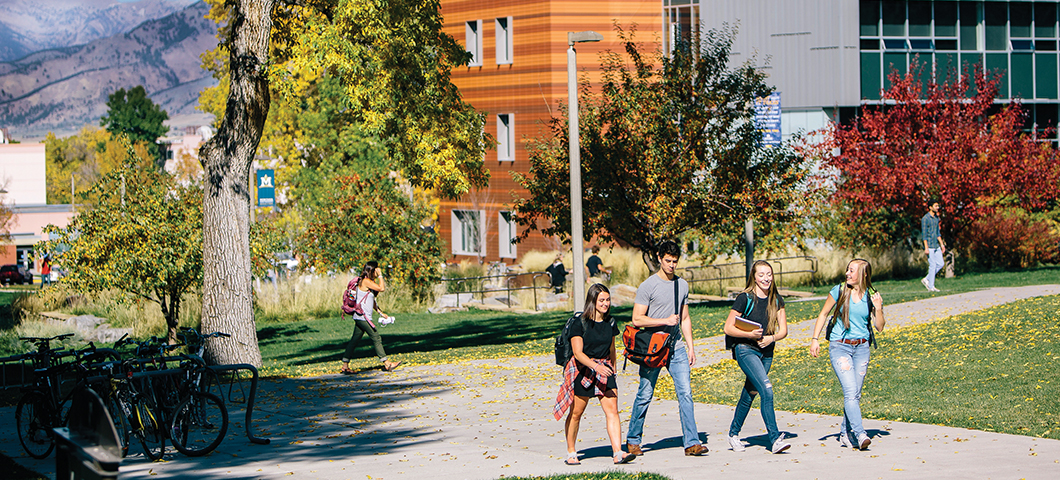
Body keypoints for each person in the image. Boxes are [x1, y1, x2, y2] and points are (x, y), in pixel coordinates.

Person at [625, 240, 708, 457]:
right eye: (668, 261)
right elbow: (637, 319)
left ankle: (692, 443)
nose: (672, 265)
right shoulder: (648, 286)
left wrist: (691, 347)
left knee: (686, 393)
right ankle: (633, 440)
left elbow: (686, 318)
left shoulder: (682, 285)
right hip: (653, 348)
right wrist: (664, 320)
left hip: (676, 347)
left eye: (675, 262)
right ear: (660, 259)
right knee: (645, 393)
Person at [554, 284, 636, 466]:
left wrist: (612, 367)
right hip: (583, 369)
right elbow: (578, 353)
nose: (605, 304)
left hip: (604, 368)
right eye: (601, 300)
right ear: (592, 301)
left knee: (613, 411)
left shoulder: (611, 322)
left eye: (607, 300)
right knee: (576, 413)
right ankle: (571, 452)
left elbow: (612, 348)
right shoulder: (580, 323)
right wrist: (595, 367)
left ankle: (617, 452)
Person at [808, 259, 886, 451]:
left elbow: (880, 327)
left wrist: (878, 307)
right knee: (851, 392)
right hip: (840, 347)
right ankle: (860, 434)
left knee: (854, 395)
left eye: (852, 271)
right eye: (847, 270)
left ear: (863, 274)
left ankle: (845, 433)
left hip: (862, 348)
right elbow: (823, 314)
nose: (847, 274)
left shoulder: (871, 295)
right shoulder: (839, 290)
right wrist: (815, 339)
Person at [723, 260, 791, 454]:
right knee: (766, 390)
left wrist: (772, 338)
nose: (766, 278)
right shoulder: (745, 298)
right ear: (754, 276)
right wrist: (748, 335)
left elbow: (784, 330)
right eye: (761, 274)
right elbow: (728, 327)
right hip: (745, 349)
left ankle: (733, 434)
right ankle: (775, 438)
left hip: (766, 351)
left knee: (750, 393)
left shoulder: (776, 299)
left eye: (768, 274)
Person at [340, 261, 402, 373]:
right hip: (363, 317)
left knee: (354, 340)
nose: (377, 272)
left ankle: (345, 366)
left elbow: (371, 299)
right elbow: (381, 288)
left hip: (360, 317)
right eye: (376, 270)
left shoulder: (367, 282)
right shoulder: (365, 281)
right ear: (372, 270)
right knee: (376, 337)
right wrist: (381, 275)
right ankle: (387, 364)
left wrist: (380, 312)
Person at [921, 200, 945, 292]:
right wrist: (926, 247)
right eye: (936, 206)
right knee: (933, 265)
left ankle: (927, 279)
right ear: (930, 207)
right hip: (929, 246)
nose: (937, 207)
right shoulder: (925, 219)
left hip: (936, 245)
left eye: (938, 206)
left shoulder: (936, 218)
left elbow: (938, 233)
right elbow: (924, 234)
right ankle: (931, 286)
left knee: (940, 263)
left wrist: (942, 244)